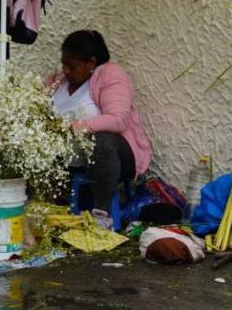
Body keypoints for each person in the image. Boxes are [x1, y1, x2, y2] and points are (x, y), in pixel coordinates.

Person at [46, 29, 152, 229]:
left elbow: (118, 120)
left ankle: (102, 216)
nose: (66, 70)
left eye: (73, 66)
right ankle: (51, 209)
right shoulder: (59, 81)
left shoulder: (110, 74)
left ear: (91, 63)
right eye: (64, 64)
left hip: (116, 155)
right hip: (72, 153)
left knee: (101, 139)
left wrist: (75, 128)